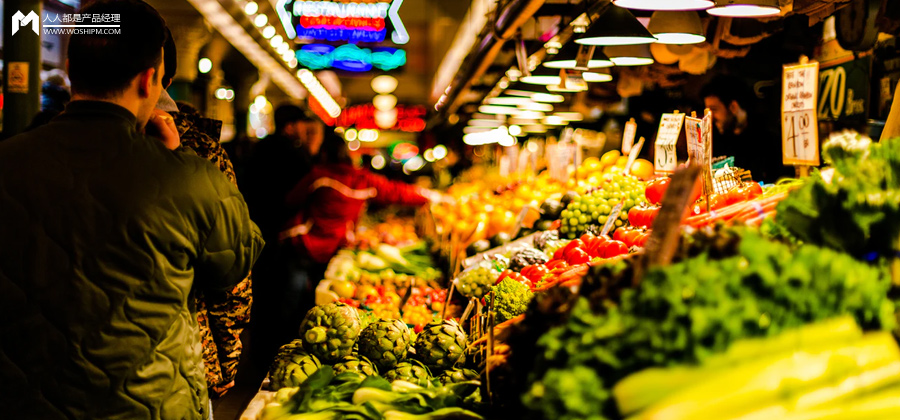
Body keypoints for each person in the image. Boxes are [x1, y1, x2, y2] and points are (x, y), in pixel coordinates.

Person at [0, 2, 264, 420]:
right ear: (151, 80)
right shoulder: (194, 176)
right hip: (152, 402)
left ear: (70, 70)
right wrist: (175, 161)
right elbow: (236, 261)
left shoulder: (8, 159)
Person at [281, 133, 437, 299]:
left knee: (292, 298)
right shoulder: (362, 179)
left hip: (305, 244)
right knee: (314, 292)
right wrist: (430, 196)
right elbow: (395, 191)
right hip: (333, 245)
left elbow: (291, 200)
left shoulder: (318, 175)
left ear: (324, 153)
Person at [244, 105, 323, 369]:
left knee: (263, 296)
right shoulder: (293, 154)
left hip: (258, 231)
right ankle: (274, 357)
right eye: (301, 125)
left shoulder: (260, 149)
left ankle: (258, 354)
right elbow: (307, 188)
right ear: (290, 126)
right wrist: (311, 149)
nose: (304, 130)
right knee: (284, 301)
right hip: (283, 236)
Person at [701, 75, 789, 182]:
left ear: (733, 106)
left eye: (714, 110)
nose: (710, 117)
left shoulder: (767, 138)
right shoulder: (716, 140)